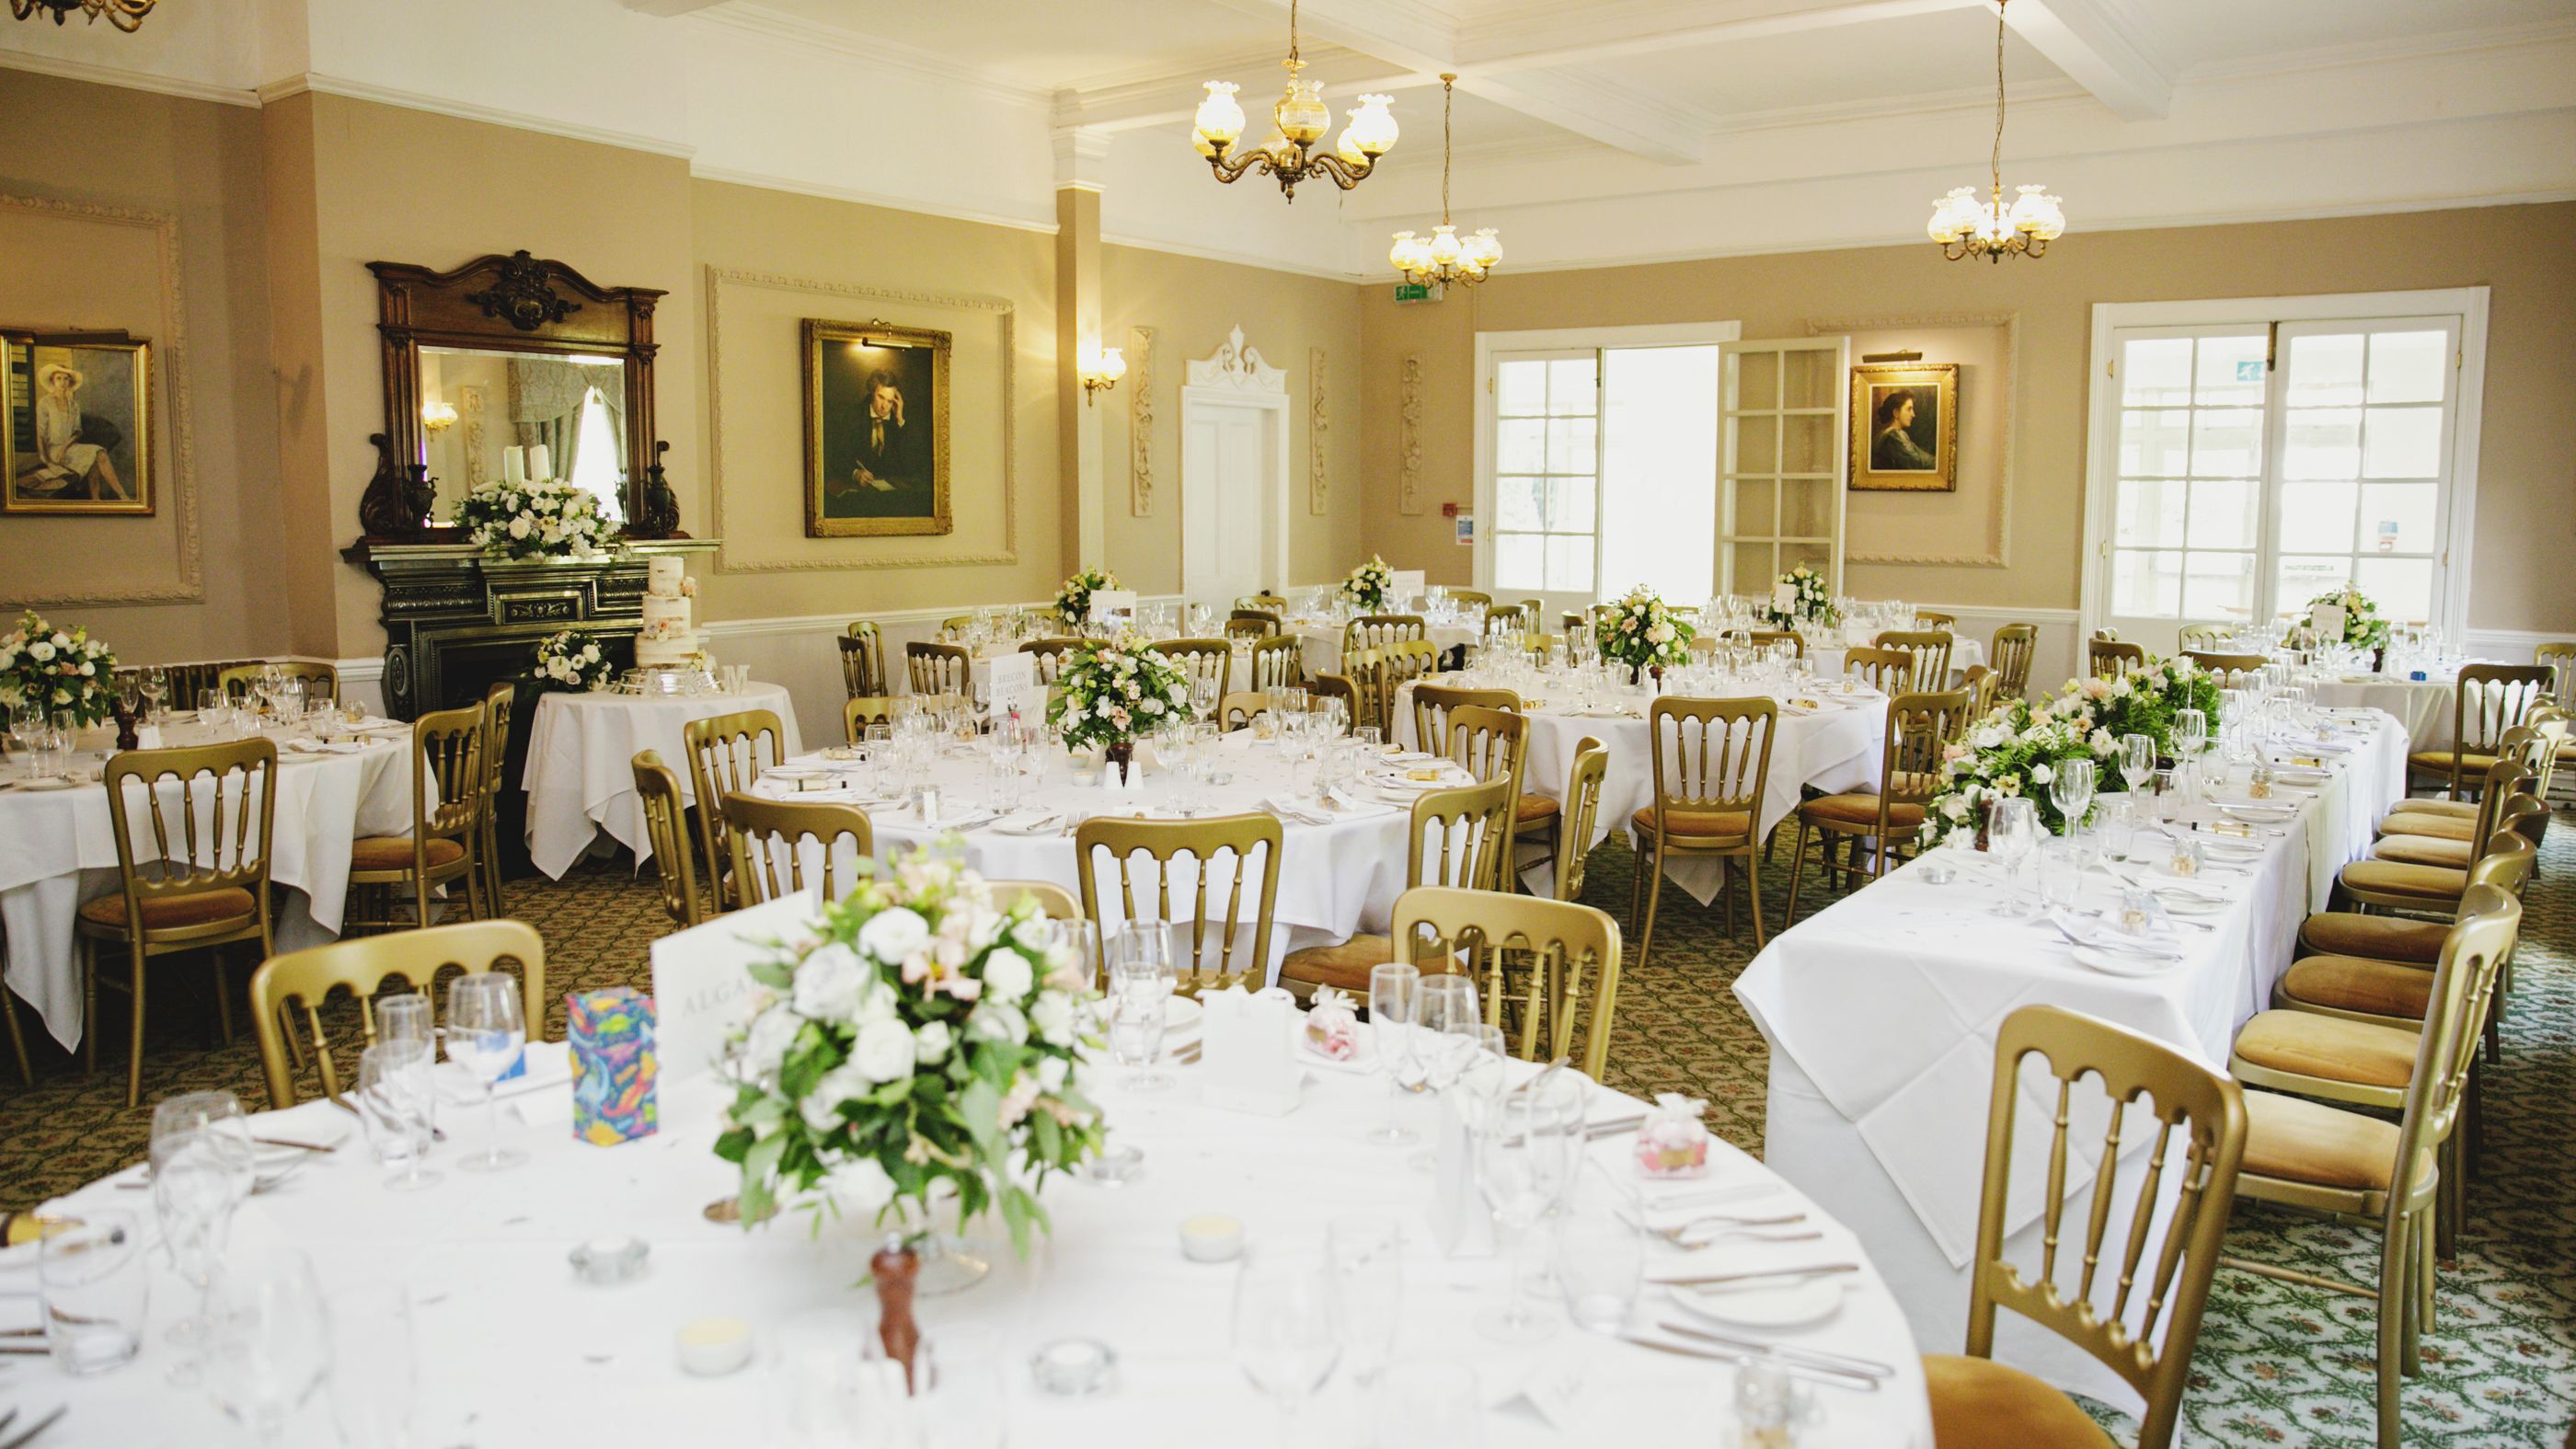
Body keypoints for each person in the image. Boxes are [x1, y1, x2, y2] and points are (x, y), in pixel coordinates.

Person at [26, 361, 129, 501]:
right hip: (53, 450)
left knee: (99, 453)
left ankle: (103, 497)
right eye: (59, 378)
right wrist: (46, 460)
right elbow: (41, 433)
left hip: (69, 448)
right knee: (98, 454)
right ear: (52, 381)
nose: (63, 382)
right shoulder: (45, 403)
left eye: (66, 379)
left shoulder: (73, 405)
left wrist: (65, 447)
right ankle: (109, 496)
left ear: (70, 382)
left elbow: (77, 431)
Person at [849, 372, 926, 493]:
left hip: (893, 493)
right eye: (881, 397)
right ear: (872, 392)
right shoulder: (853, 416)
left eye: (890, 401)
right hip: (860, 491)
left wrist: (900, 420)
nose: (884, 406)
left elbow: (913, 465)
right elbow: (837, 458)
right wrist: (855, 473)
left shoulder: (900, 421)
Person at [1869, 387, 1936, 472]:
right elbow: (1917, 462)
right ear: (1896, 413)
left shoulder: (1885, 434)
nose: (1913, 415)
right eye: (1909, 409)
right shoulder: (1895, 436)